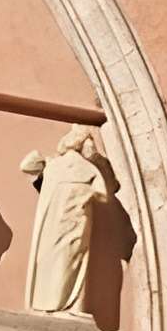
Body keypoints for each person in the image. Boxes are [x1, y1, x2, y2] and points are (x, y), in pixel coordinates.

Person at [19, 123, 111, 315]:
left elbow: (26, 165)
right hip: (75, 224)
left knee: (50, 262)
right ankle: (66, 306)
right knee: (70, 264)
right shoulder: (87, 168)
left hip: (52, 227)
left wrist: (42, 159)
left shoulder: (53, 165)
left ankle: (47, 304)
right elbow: (103, 195)